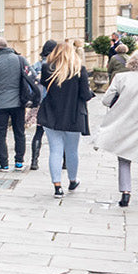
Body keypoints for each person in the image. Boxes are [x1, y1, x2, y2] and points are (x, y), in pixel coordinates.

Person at [93, 48, 138, 207]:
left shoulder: (120, 78)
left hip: (123, 123)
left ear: (131, 63)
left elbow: (106, 100)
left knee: (123, 158)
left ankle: (125, 193)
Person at [36, 40, 93, 197]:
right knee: (72, 150)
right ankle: (72, 180)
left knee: (55, 150)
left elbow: (43, 84)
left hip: (52, 114)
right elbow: (85, 95)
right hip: (73, 115)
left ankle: (57, 186)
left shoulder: (47, 68)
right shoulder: (79, 70)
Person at [0, 36, 35, 171]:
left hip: (0, 104)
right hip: (18, 102)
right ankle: (19, 162)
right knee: (19, 132)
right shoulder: (20, 59)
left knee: (0, 134)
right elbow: (32, 75)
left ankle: (3, 164)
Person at [28, 40, 58, 170]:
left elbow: (31, 82)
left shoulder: (37, 65)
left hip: (40, 103)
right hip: (54, 104)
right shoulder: (57, 66)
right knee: (59, 133)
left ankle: (34, 161)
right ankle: (64, 162)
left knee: (38, 132)